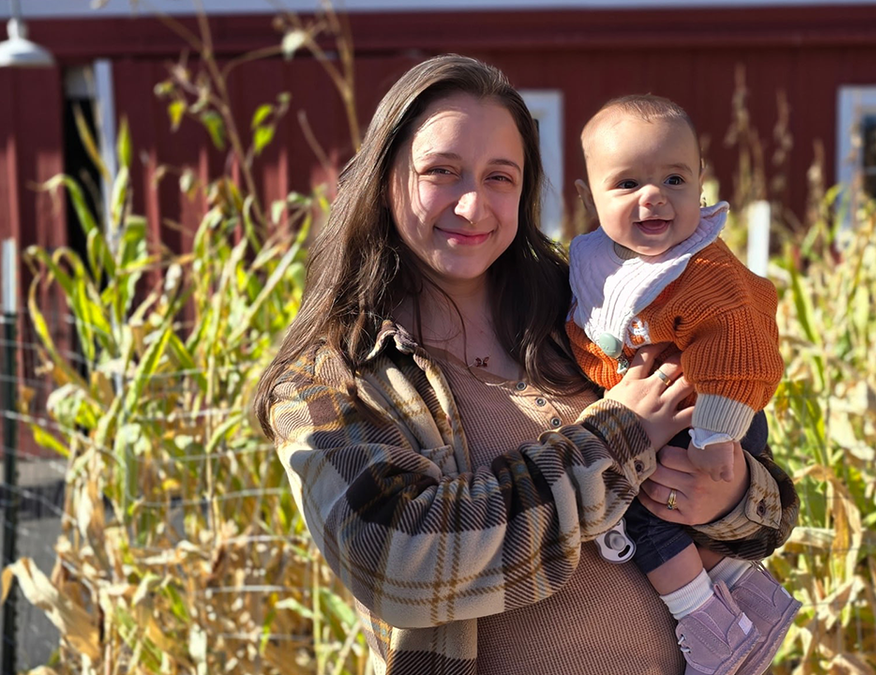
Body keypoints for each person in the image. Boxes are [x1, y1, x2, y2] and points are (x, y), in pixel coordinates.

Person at [253, 54, 799, 675]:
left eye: (499, 177)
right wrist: (614, 439)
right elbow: (398, 560)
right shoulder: (332, 377)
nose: (471, 205)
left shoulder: (589, 312)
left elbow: (769, 508)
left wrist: (726, 496)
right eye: (443, 172)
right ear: (384, 181)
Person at [568, 94, 801, 675]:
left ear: (701, 183)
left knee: (646, 512)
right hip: (668, 416)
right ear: (587, 196)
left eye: (673, 178)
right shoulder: (595, 264)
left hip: (713, 412)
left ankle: (708, 624)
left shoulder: (703, 268)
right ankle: (743, 593)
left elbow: (739, 347)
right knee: (643, 507)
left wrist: (718, 437)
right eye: (626, 184)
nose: (653, 196)